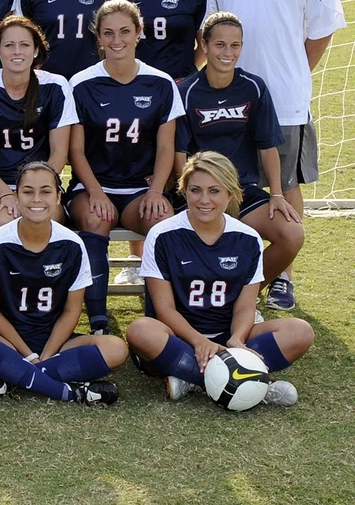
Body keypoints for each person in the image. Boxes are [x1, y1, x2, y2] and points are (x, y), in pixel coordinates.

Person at [204, 0, 346, 311]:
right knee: (224, 182)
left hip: (283, 100)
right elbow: (209, 33)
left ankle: (282, 275)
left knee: (284, 183)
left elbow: (321, 32)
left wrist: (293, 75)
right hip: (225, 98)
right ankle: (220, 268)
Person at [126, 152, 313, 406]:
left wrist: (237, 338)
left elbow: (246, 306)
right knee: (140, 331)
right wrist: (199, 341)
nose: (204, 200)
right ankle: (252, 384)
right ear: (184, 191)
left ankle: (194, 378)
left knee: (300, 332)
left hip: (227, 337)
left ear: (231, 194)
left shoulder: (248, 238)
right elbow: (164, 309)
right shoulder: (163, 234)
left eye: (214, 191)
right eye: (195, 190)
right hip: (178, 337)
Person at [0, 162, 127, 404]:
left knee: (117, 348)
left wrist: (45, 355)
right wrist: (27, 354)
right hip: (9, 340)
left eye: (46, 191)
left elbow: (71, 310)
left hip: (55, 341)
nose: (37, 199)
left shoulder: (72, 244)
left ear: (58, 197)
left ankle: (9, 374)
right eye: (28, 191)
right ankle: (68, 392)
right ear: (16, 197)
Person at [68, 0, 183, 333]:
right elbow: (76, 150)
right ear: (98, 38)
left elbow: (166, 146)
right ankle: (98, 320)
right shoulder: (81, 83)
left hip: (140, 188)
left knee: (160, 219)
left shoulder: (160, 83)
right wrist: (95, 192)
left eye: (124, 31)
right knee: (94, 217)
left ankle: (156, 318)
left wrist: (157, 191)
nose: (116, 40)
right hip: (93, 185)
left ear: (138, 33)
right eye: (108, 33)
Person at [176, 12, 304, 305]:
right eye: (220, 45)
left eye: (235, 45)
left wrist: (277, 194)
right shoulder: (186, 92)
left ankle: (242, 297)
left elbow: (268, 145)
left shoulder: (253, 87)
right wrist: (188, 194)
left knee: (291, 234)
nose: (228, 53)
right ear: (204, 46)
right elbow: (178, 154)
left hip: (242, 192)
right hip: (201, 195)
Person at [0, 15, 77, 233]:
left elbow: (59, 151)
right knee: (5, 222)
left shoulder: (56, 86)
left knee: (48, 220)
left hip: (41, 183)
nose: (17, 52)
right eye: (9, 45)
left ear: (35, 50)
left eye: (24, 45)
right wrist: (6, 194)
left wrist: (35, 192)